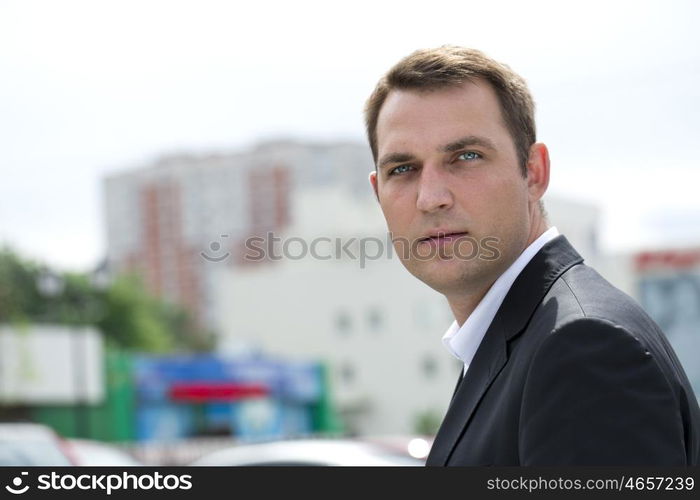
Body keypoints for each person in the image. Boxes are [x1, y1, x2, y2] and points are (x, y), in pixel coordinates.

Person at [364, 46, 700, 465]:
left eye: (466, 157)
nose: (431, 198)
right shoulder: (524, 340)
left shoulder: (584, 349)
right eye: (403, 169)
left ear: (534, 173)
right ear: (378, 194)